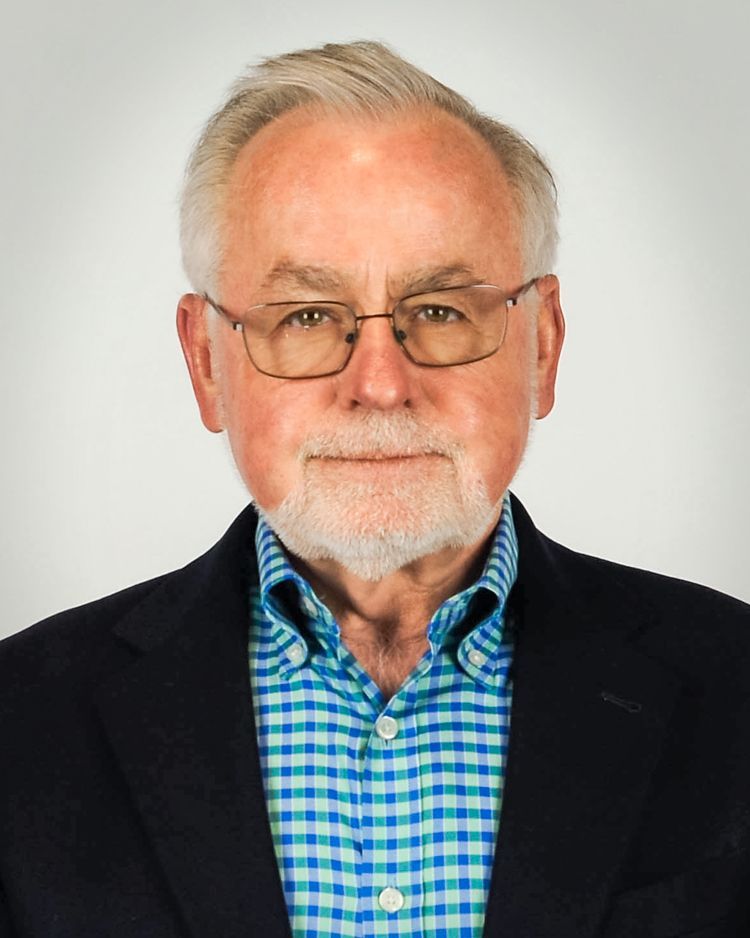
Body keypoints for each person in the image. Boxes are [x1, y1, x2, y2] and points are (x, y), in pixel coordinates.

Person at [0, 39, 748, 938]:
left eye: (441, 310)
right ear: (205, 362)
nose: (382, 384)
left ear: (543, 346)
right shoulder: (20, 725)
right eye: (307, 317)